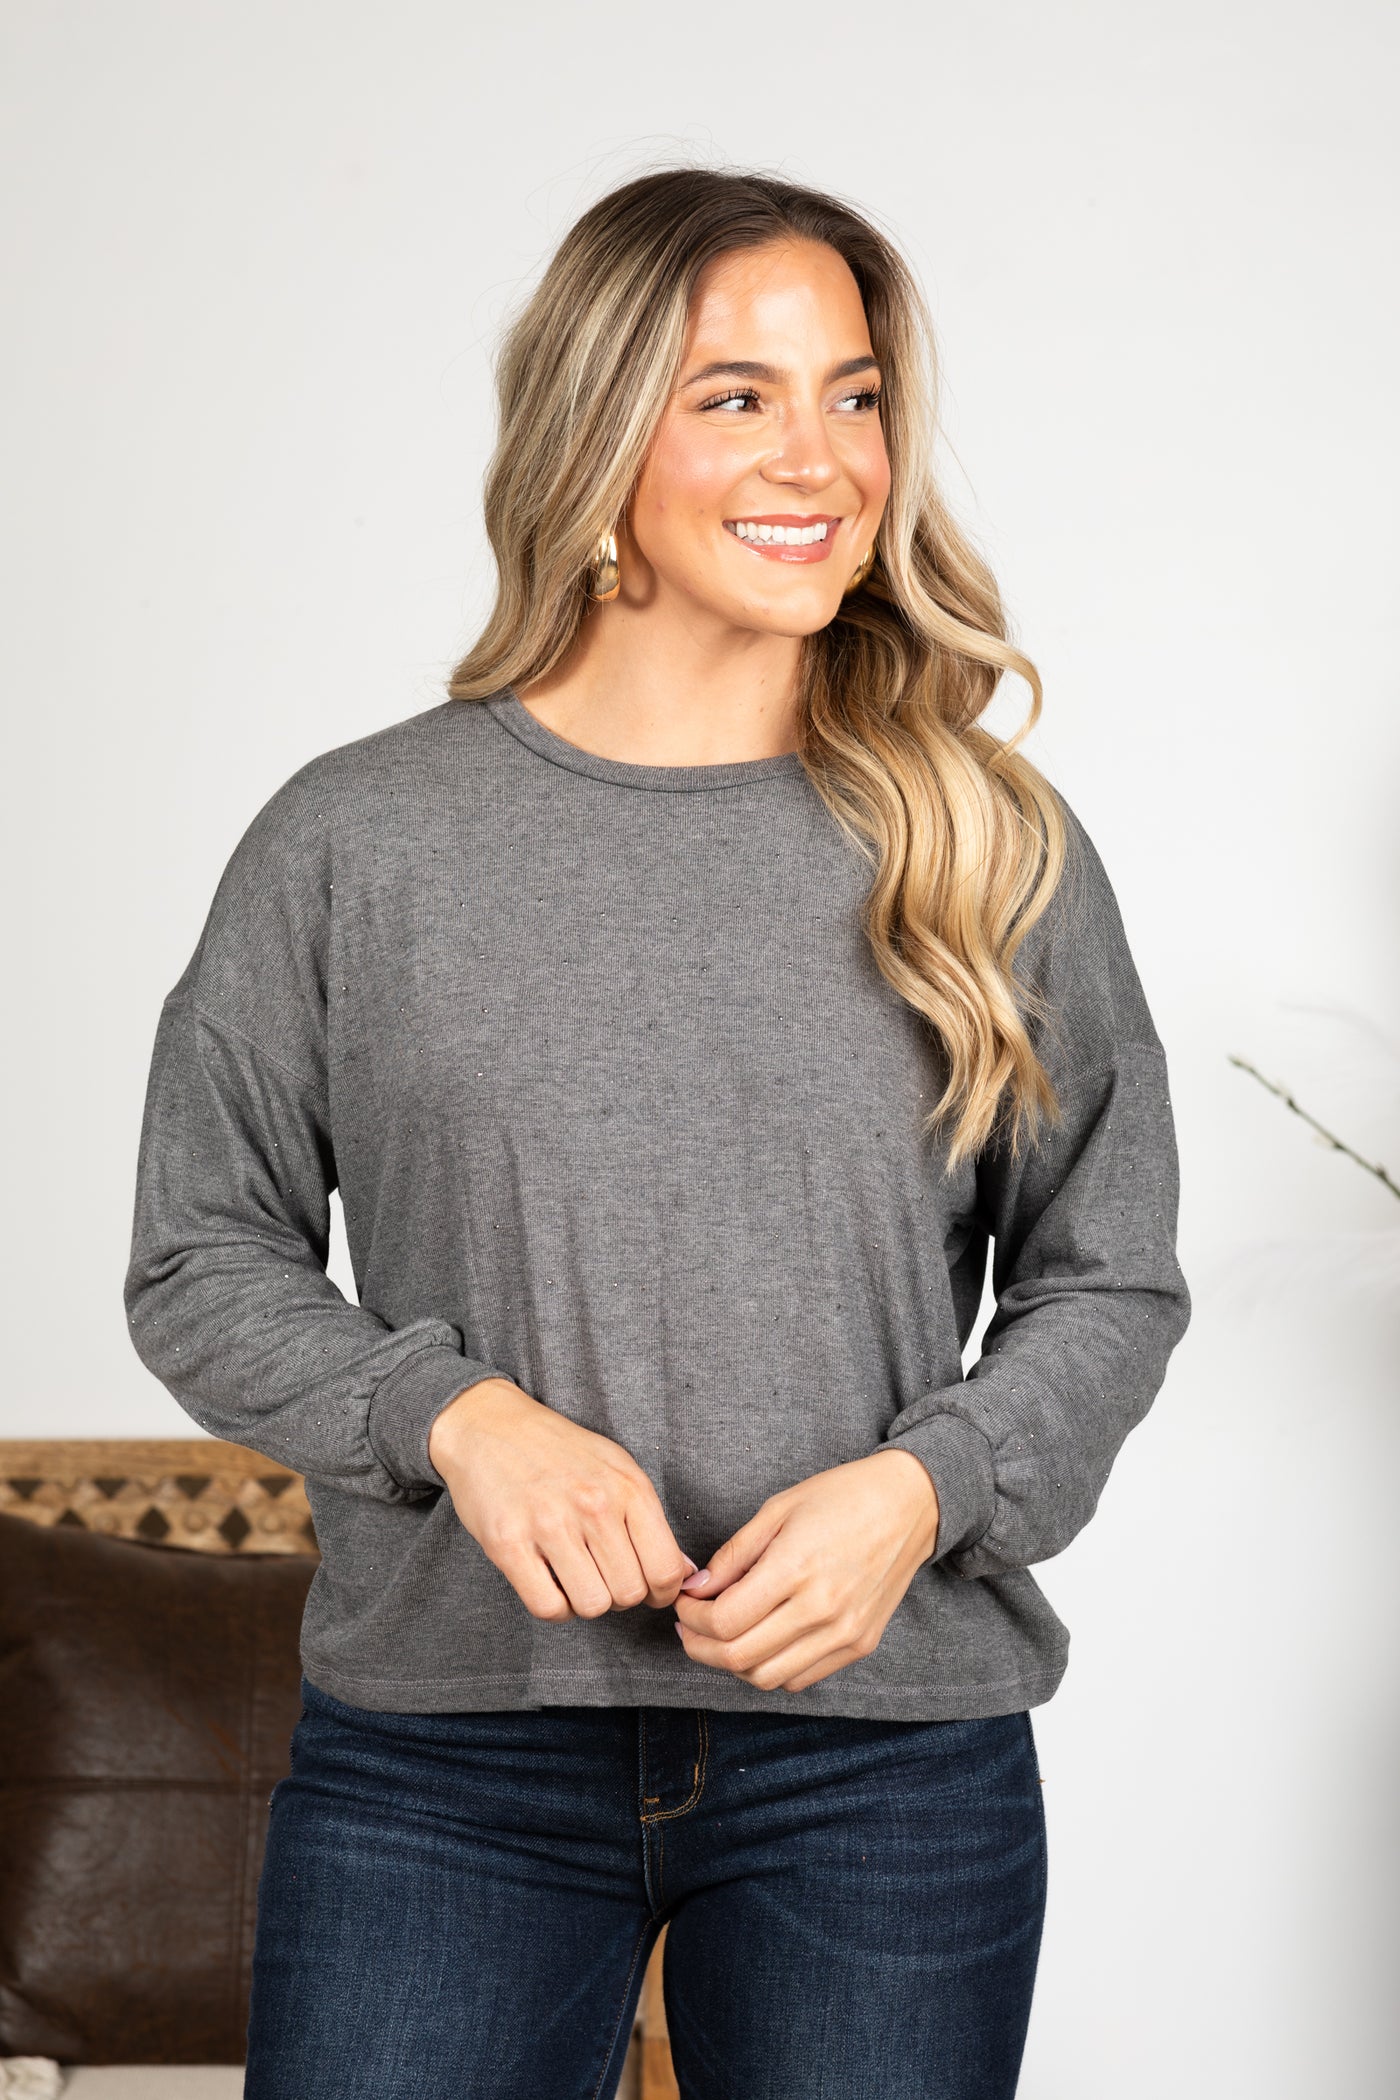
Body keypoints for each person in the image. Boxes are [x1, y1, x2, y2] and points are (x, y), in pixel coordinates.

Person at [123, 165, 1191, 2100]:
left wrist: (927, 1488)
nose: (822, 459)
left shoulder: (989, 846)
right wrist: (455, 1416)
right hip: (444, 1757)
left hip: (885, 1764)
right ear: (597, 431)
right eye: (737, 396)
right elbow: (202, 1256)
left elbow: (1107, 1278)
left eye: (855, 395)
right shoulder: (358, 840)